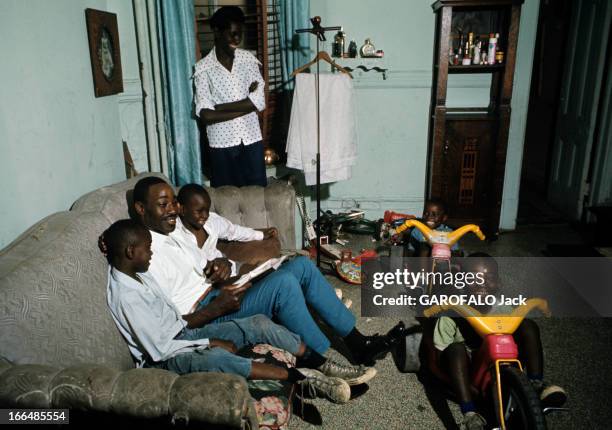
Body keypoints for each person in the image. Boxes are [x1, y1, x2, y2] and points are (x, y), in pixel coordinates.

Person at [125, 177, 406, 373]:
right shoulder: (143, 254)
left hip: (221, 290)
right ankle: (320, 356)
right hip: (208, 314)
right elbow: (173, 322)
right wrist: (215, 305)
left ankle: (359, 343)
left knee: (302, 266)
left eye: (173, 203)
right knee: (283, 283)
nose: (173, 210)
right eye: (164, 205)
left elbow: (209, 261)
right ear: (140, 209)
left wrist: (225, 265)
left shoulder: (175, 232)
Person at [104, 218, 354, 403]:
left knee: (256, 322)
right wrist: (210, 341)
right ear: (129, 252)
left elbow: (173, 321)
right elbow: (159, 349)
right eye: (147, 249)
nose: (151, 253)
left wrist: (204, 334)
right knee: (218, 358)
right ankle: (301, 380)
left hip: (181, 333)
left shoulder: (137, 273)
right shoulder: (126, 295)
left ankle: (321, 363)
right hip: (165, 357)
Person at [421, 253, 567, 430]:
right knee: (456, 349)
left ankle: (537, 383)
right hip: (467, 370)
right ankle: (469, 414)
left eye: (488, 278)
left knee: (527, 325)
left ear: (499, 283)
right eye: (473, 278)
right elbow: (436, 361)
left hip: (497, 365)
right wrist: (458, 383)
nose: (481, 283)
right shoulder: (453, 314)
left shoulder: (504, 309)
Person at [194, 6, 267, 187]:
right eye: (232, 34)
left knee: (257, 197)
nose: (237, 39)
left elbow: (260, 101)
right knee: (227, 201)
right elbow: (206, 116)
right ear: (217, 32)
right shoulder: (203, 68)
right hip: (221, 145)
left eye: (240, 34)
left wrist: (221, 107)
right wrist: (246, 105)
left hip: (252, 141)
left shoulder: (248, 60)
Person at [172, 183, 276, 280]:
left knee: (269, 275)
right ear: (182, 209)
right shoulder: (175, 233)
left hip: (229, 266)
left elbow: (233, 231)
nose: (205, 215)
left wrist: (260, 234)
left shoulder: (211, 221)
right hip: (210, 279)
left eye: (207, 210)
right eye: (199, 211)